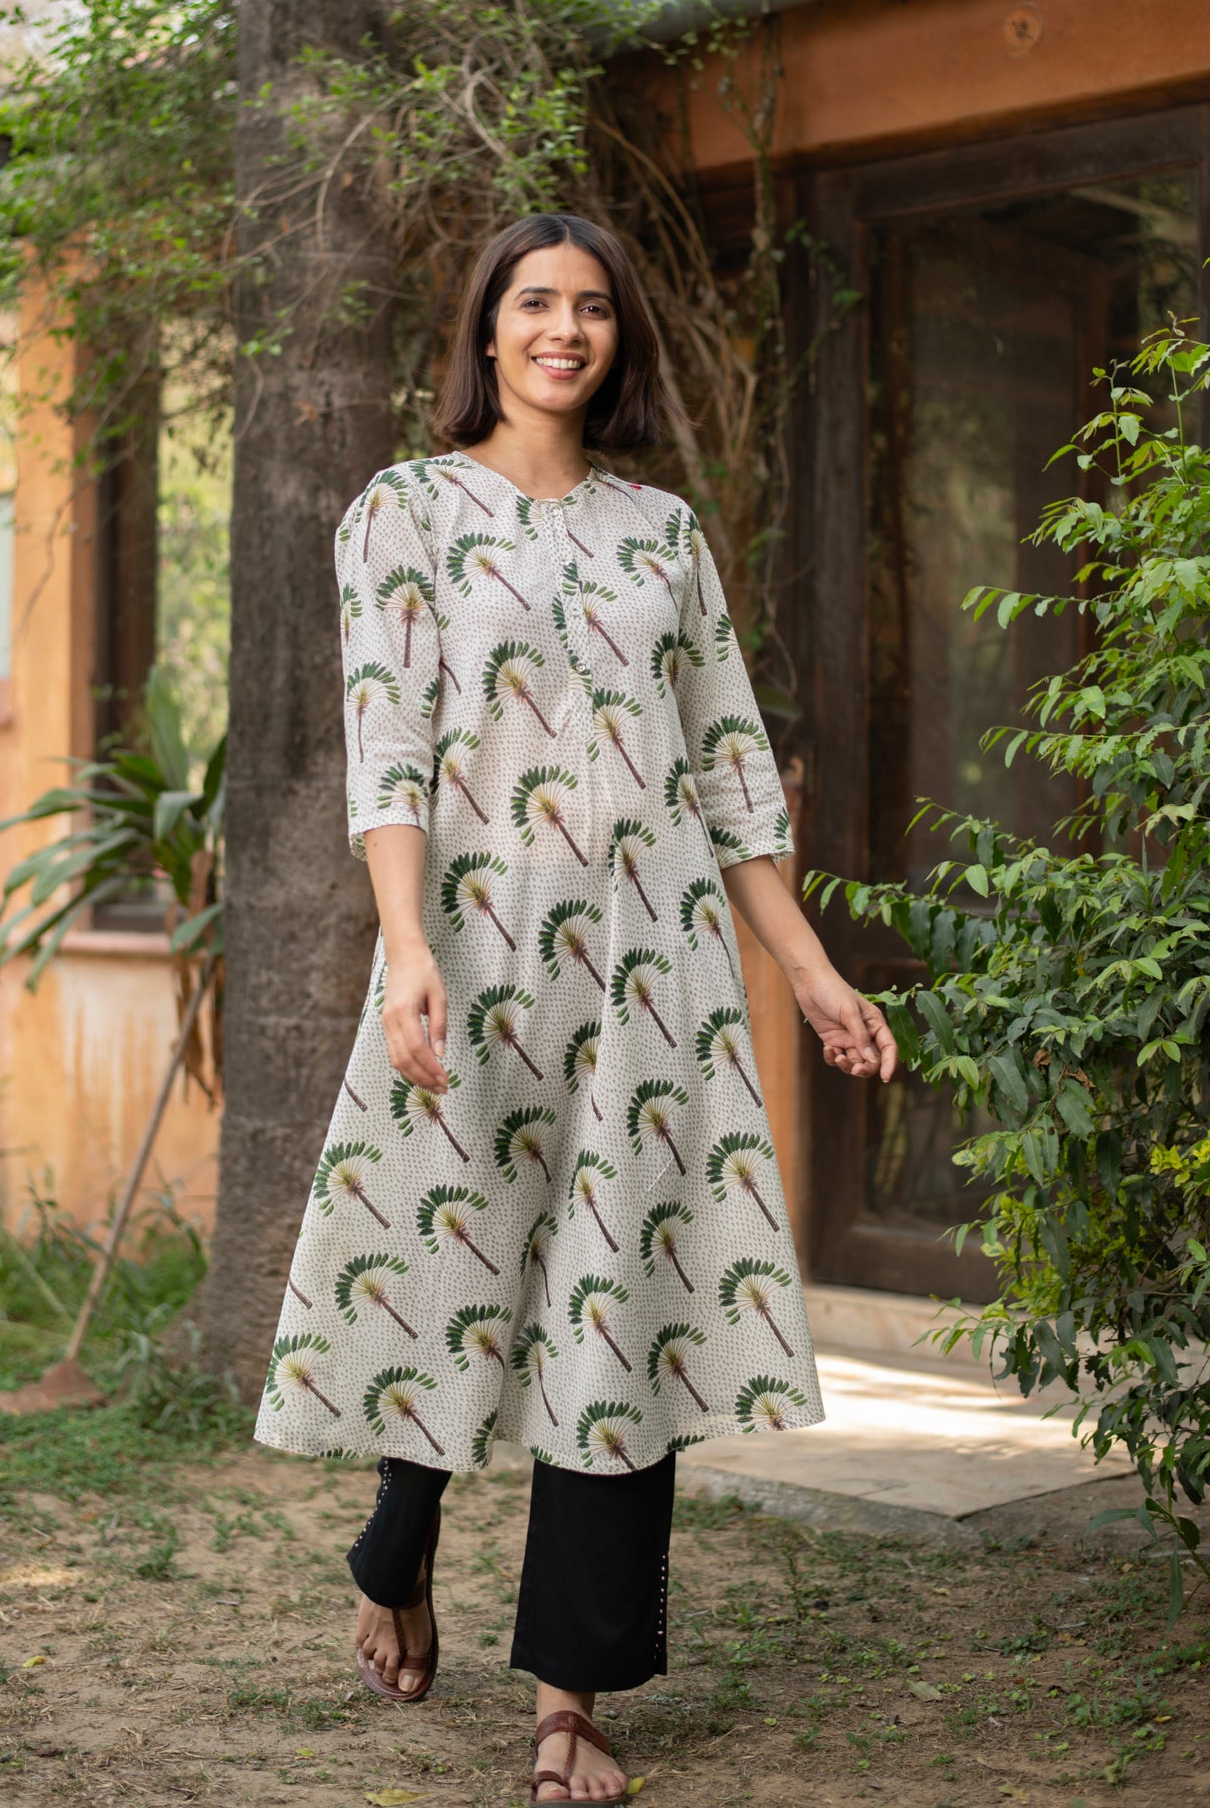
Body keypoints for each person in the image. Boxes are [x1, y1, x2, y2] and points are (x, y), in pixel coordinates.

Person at [253, 212, 898, 1804]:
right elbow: (388, 741)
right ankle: (396, 1542)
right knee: (448, 1256)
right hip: (472, 950)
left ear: (619, 341)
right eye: (535, 301)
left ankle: (569, 1699)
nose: (564, 327)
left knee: (621, 1293)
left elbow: (729, 767)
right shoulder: (403, 511)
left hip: (654, 962)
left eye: (592, 306)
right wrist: (405, 939)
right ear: (486, 329)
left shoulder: (661, 533)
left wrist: (807, 965)